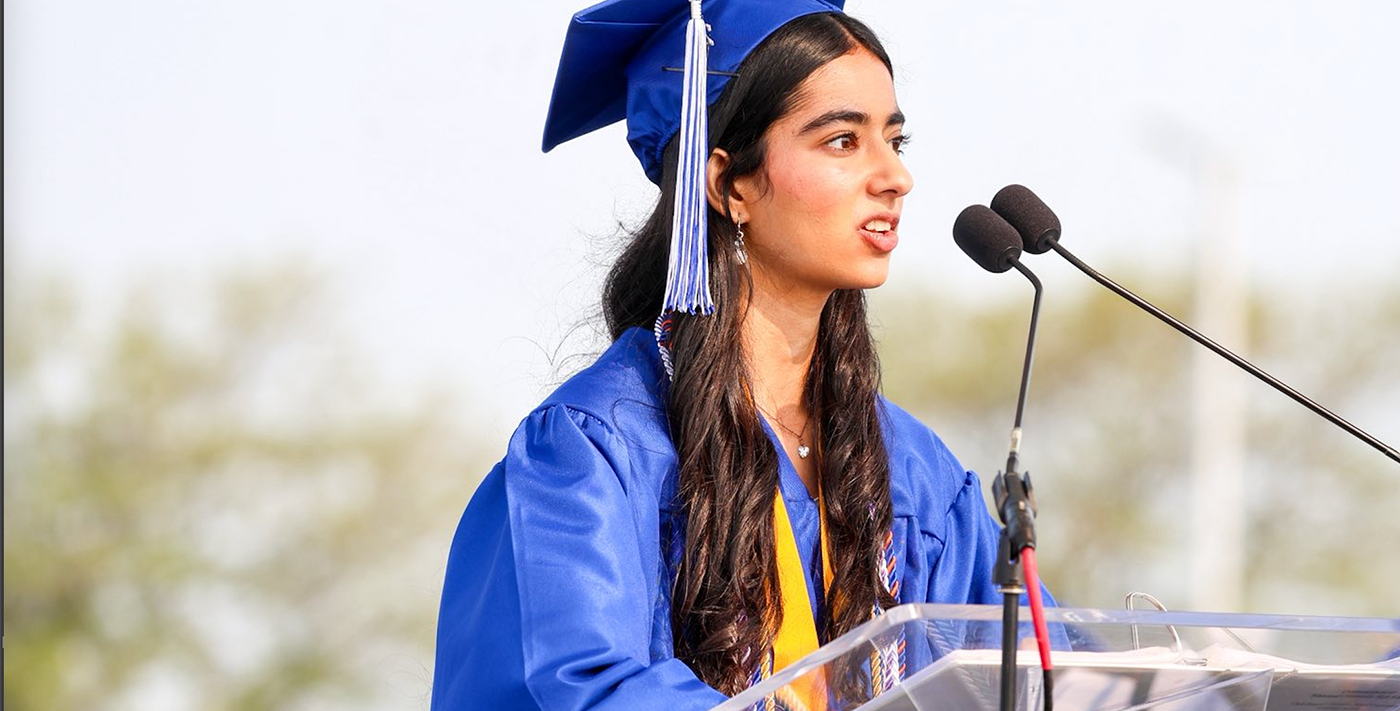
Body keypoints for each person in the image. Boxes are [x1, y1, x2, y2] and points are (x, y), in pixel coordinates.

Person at [429, 2, 1048, 709]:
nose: (894, 177)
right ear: (728, 183)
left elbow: (1041, 667)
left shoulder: (911, 471)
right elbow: (589, 685)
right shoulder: (595, 451)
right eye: (843, 141)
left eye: (894, 140)